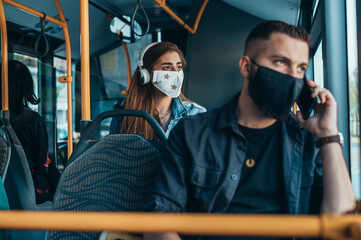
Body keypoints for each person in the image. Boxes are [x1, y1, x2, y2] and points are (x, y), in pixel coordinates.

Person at [143, 21, 356, 240]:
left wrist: (327, 134)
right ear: (246, 66)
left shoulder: (309, 140)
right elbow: (160, 219)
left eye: (301, 68)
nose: (292, 77)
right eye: (281, 62)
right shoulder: (192, 133)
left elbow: (342, 224)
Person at [109, 41, 206, 139]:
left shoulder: (196, 114)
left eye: (178, 67)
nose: (176, 73)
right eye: (166, 67)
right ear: (145, 74)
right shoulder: (124, 114)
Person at [1, 60, 60, 204]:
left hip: (5, 190)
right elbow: (40, 161)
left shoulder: (6, 122)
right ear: (26, 87)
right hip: (30, 190)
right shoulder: (32, 120)